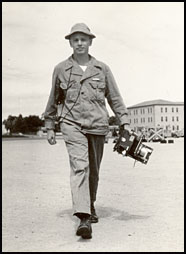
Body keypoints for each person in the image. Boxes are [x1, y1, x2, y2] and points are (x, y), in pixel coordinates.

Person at [44, 23, 131, 239]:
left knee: (93, 171)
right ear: (70, 43)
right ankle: (83, 217)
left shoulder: (102, 69)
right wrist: (49, 125)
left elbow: (114, 97)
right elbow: (53, 98)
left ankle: (89, 204)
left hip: (97, 125)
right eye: (76, 40)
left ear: (90, 42)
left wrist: (125, 122)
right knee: (80, 167)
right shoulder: (61, 69)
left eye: (84, 39)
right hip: (71, 124)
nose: (80, 43)